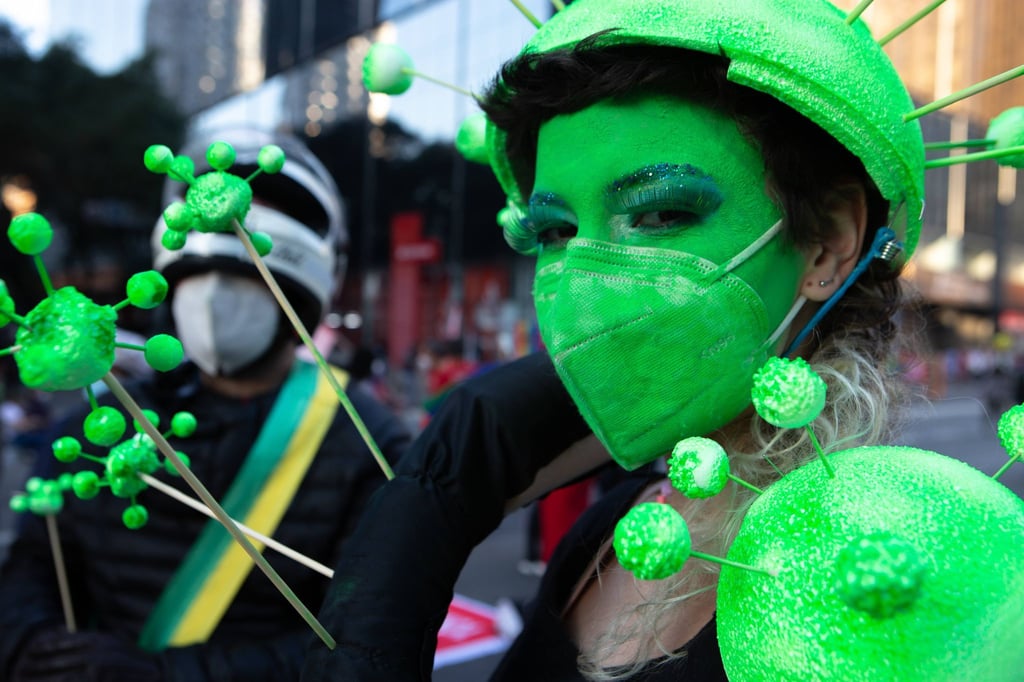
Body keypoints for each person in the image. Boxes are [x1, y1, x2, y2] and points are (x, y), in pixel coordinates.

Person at [299, 0, 967, 679]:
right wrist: (435, 496)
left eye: (661, 213)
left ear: (827, 243)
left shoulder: (896, 583)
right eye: (556, 232)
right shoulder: (619, 525)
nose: (584, 287)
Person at [0, 129, 411, 681]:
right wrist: (32, 644)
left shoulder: (369, 441)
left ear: (302, 296)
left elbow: (367, 639)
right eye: (198, 282)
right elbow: (35, 565)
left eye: (247, 283)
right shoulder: (96, 431)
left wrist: (163, 675)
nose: (215, 305)